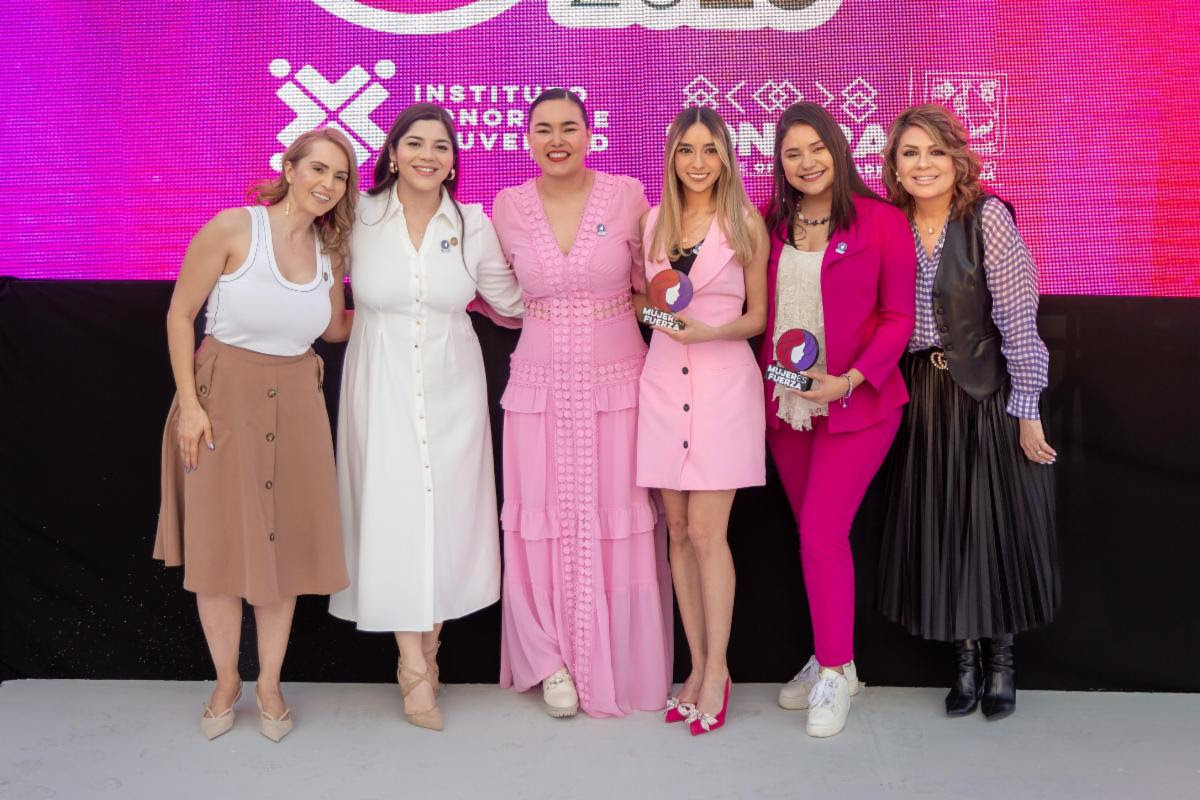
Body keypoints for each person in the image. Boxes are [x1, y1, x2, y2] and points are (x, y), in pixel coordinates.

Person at [154, 128, 357, 742]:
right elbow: (180, 314)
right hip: (223, 397)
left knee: (283, 551)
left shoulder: (331, 251)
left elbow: (334, 330)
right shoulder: (234, 228)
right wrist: (191, 407)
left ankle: (269, 683)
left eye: (340, 176)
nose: (327, 184)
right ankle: (226, 682)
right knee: (219, 549)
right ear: (289, 169)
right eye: (318, 169)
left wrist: (412, 306)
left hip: (298, 401)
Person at [325, 105, 523, 731]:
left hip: (453, 386)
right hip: (378, 382)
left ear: (454, 161)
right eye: (415, 143)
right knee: (393, 516)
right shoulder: (357, 216)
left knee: (446, 518)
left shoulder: (473, 225)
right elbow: (320, 298)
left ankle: (428, 649)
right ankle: (412, 667)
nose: (427, 155)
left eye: (441, 146)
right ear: (392, 152)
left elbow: (513, 301)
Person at [492, 89, 673, 718]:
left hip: (617, 386)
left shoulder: (628, 196)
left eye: (569, 127)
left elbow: (652, 290)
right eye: (543, 129)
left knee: (618, 514)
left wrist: (696, 331)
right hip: (539, 389)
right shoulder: (507, 206)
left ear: (591, 135)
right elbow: (495, 291)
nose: (557, 139)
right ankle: (551, 661)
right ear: (527, 139)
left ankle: (617, 654)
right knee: (541, 516)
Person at [876, 104, 1059, 721]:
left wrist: (1027, 408)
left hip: (984, 394)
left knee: (991, 527)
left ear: (957, 158)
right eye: (910, 153)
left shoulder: (988, 218)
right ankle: (964, 665)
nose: (923, 164)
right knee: (943, 526)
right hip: (921, 399)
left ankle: (1002, 663)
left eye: (935, 151)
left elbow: (1018, 318)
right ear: (894, 166)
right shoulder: (890, 224)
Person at [759, 102, 916, 738]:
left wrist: (848, 380)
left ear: (838, 148)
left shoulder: (882, 221)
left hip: (857, 403)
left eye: (816, 148)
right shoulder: (771, 223)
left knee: (822, 532)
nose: (806, 162)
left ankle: (833, 671)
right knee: (814, 536)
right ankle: (837, 660)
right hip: (788, 406)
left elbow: (898, 318)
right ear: (779, 162)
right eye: (791, 153)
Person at [636, 107, 767, 735]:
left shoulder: (745, 222)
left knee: (710, 534)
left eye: (709, 150)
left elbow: (759, 316)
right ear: (672, 155)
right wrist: (659, 317)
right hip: (663, 383)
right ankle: (692, 667)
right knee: (679, 532)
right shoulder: (652, 222)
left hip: (722, 386)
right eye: (686, 149)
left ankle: (718, 671)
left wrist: (708, 331)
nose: (697, 162)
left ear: (725, 157)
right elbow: (645, 302)